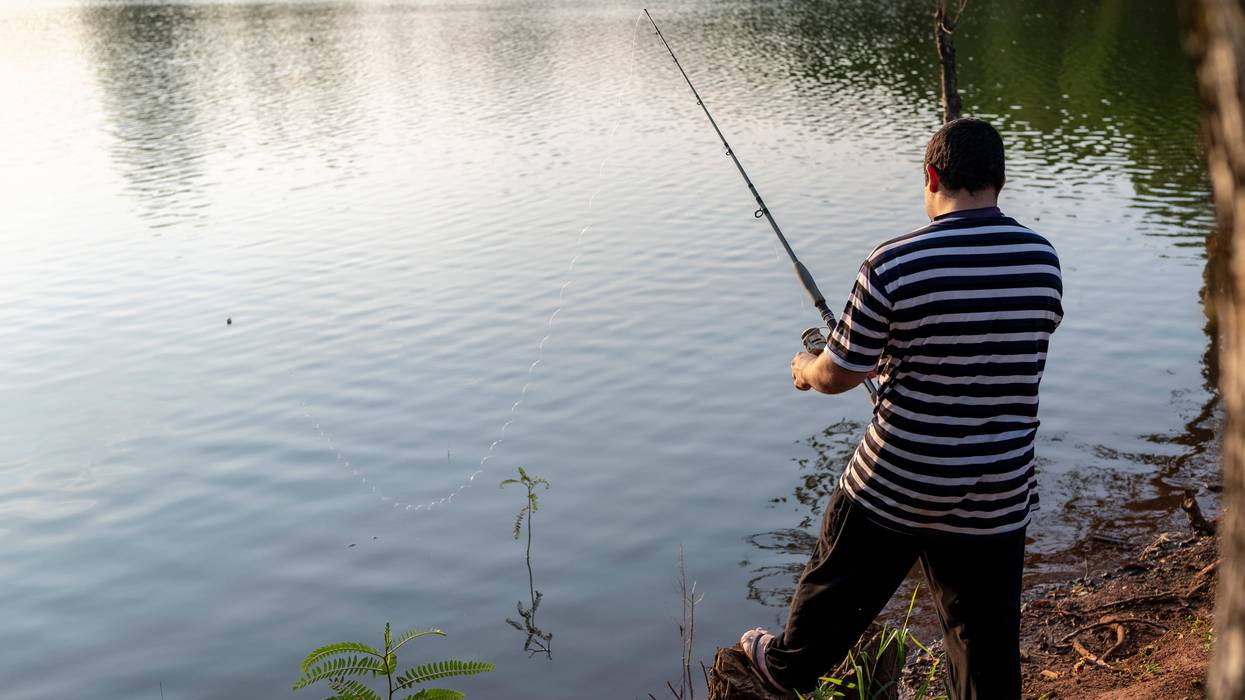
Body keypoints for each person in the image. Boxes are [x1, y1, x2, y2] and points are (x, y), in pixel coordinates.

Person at [739, 117, 1063, 699]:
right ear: (1000, 180)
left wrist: (805, 368)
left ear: (932, 177)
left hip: (902, 478)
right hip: (998, 485)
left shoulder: (894, 262)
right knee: (983, 644)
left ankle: (786, 666)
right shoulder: (1041, 259)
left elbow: (841, 373)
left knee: (834, 585)